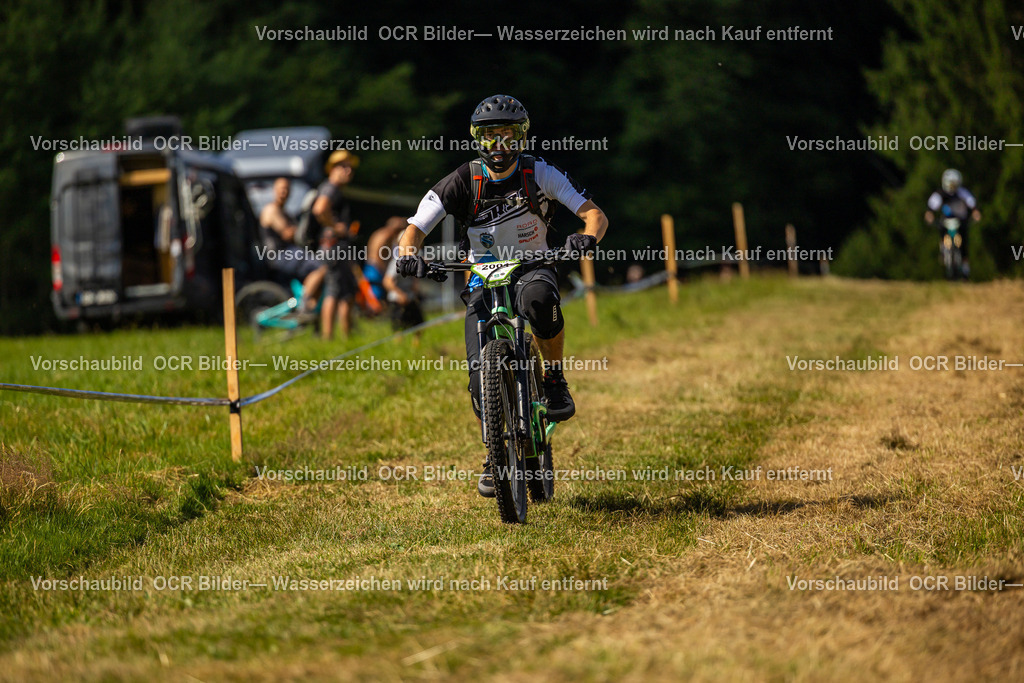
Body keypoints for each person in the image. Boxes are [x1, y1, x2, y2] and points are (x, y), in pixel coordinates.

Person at [395, 94, 608, 497]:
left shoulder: (539, 172)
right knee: (479, 375)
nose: (499, 147)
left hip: (533, 264)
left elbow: (594, 214)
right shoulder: (462, 179)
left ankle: (554, 378)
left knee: (539, 301)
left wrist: (585, 238)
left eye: (507, 137)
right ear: (477, 139)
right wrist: (409, 257)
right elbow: (414, 229)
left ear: (522, 138)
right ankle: (495, 454)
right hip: (480, 277)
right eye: (490, 137)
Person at [314, 150, 360, 339]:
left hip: (335, 248)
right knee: (333, 290)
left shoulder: (334, 189)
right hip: (332, 247)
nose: (349, 171)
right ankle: (328, 336)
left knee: (345, 290)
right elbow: (319, 209)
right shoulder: (330, 188)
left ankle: (344, 334)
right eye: (344, 166)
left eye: (350, 167)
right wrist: (335, 227)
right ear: (332, 169)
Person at [259, 178, 324, 307]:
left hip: (289, 253)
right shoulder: (271, 210)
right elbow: (287, 233)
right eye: (280, 188)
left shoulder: (285, 212)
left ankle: (310, 308)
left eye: (286, 189)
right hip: (280, 256)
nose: (283, 192)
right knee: (321, 267)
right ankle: (305, 305)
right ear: (274, 191)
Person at [925, 169, 981, 278]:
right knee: (942, 230)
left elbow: (972, 205)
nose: (952, 187)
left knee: (964, 243)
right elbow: (931, 208)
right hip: (946, 221)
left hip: (961, 221)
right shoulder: (940, 194)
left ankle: (965, 268)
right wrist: (929, 215)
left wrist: (976, 213)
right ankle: (943, 247)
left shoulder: (962, 193)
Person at [365, 216, 408, 302]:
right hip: (375, 267)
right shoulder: (386, 236)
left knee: (376, 294)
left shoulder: (381, 233)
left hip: (372, 266)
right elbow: (377, 256)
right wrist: (385, 271)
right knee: (375, 297)